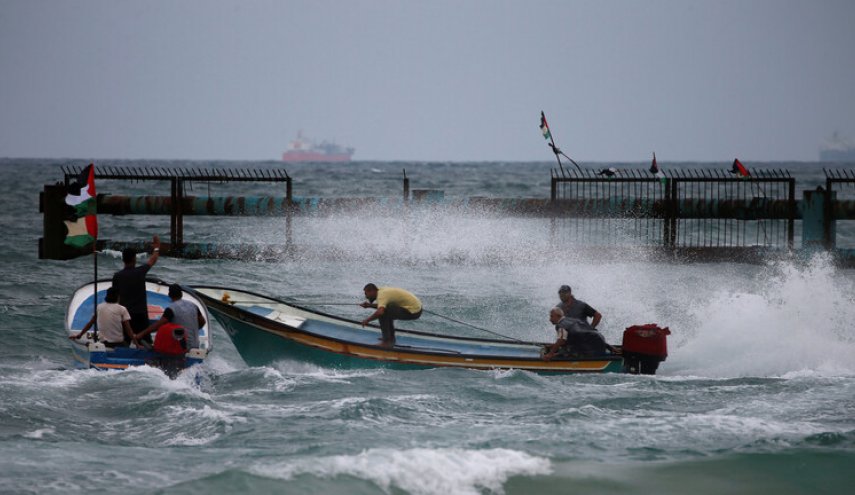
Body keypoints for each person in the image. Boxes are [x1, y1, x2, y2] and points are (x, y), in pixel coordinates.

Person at [112, 235, 160, 344]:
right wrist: (156, 247)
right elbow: (153, 259)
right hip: (141, 314)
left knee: (125, 342)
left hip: (125, 316)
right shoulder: (140, 271)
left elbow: (116, 299)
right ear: (134, 258)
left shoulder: (117, 276)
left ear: (123, 259)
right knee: (146, 343)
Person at [132, 283, 206, 350]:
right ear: (181, 294)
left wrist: (140, 335)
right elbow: (203, 322)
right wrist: (194, 330)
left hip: (182, 346)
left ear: (169, 295)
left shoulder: (171, 309)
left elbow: (157, 326)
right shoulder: (193, 305)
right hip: (195, 344)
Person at [69, 287, 133, 348]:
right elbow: (128, 330)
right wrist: (137, 344)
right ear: (118, 297)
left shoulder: (99, 307)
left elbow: (90, 323)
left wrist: (80, 335)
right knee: (127, 343)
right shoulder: (122, 309)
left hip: (104, 343)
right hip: (118, 343)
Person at [542, 307, 609, 361]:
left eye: (551, 316)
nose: (550, 319)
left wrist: (550, 354)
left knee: (563, 352)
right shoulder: (574, 321)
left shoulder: (561, 325)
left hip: (593, 351)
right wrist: (611, 348)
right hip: (601, 345)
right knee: (565, 348)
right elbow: (590, 334)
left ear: (558, 316)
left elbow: (561, 340)